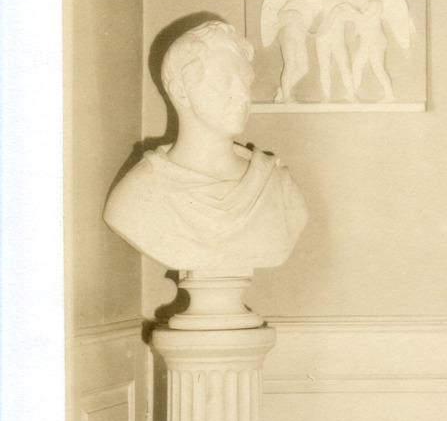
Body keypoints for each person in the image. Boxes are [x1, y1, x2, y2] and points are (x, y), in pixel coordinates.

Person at [103, 21, 308, 273]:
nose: (244, 96)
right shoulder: (134, 197)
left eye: (246, 82)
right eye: (226, 81)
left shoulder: (276, 183)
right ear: (180, 91)